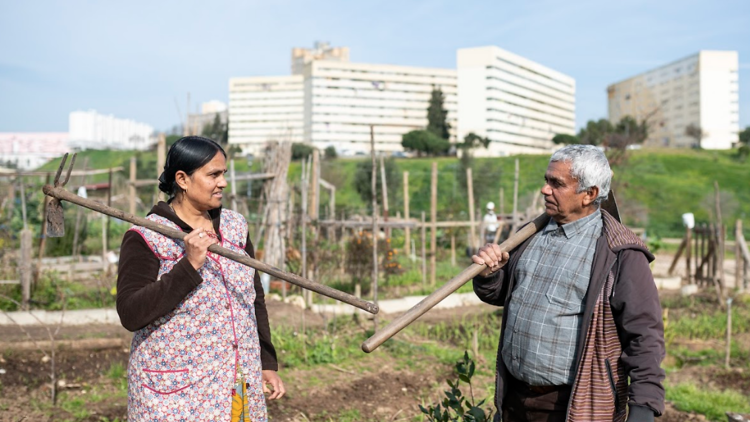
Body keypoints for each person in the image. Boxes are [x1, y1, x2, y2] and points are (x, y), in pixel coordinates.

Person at [471, 145, 664, 422]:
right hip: (514, 397)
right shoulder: (529, 236)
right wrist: (490, 275)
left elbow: (644, 336)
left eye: (556, 183)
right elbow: (504, 294)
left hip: (573, 405)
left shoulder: (619, 254)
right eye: (546, 180)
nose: (544, 189)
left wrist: (644, 408)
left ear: (590, 194)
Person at [117, 136, 284, 421]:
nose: (223, 183)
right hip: (175, 391)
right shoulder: (147, 236)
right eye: (213, 175)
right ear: (182, 179)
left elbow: (254, 298)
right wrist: (189, 265)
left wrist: (266, 361)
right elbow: (131, 313)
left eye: (224, 174)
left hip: (236, 381)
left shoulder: (235, 227)